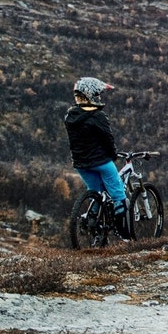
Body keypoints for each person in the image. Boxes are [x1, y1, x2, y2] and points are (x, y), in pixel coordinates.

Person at [65, 76, 130, 238]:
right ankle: (125, 235)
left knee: (95, 192)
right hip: (101, 162)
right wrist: (113, 154)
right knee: (119, 196)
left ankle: (93, 219)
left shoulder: (70, 116)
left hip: (80, 163)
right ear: (91, 95)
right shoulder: (98, 117)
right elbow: (108, 140)